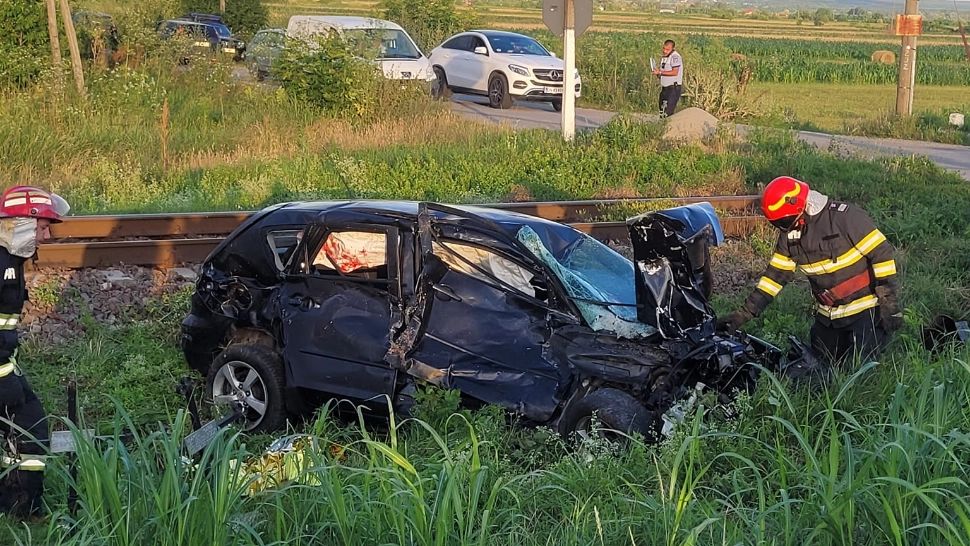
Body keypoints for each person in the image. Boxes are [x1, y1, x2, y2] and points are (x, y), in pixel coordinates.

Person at [718, 176, 901, 366]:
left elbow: (882, 254)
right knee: (816, 368)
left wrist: (888, 301)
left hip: (865, 310)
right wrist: (744, 314)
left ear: (800, 205)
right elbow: (775, 277)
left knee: (861, 369)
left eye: (784, 221)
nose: (783, 227)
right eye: (777, 223)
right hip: (829, 316)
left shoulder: (845, 218)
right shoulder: (790, 235)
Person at [0, 186, 69, 520]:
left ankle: (20, 505)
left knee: (30, 427)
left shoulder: (11, 260)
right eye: (42, 227)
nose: (47, 235)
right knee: (29, 426)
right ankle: (22, 507)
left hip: (5, 366)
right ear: (22, 225)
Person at [652, 39, 683, 117]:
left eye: (667, 49)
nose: (665, 51)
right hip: (665, 88)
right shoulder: (665, 57)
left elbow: (675, 72)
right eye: (664, 48)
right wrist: (658, 73)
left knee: (667, 112)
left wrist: (660, 72)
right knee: (662, 111)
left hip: (673, 88)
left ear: (672, 48)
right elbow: (664, 72)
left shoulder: (675, 57)